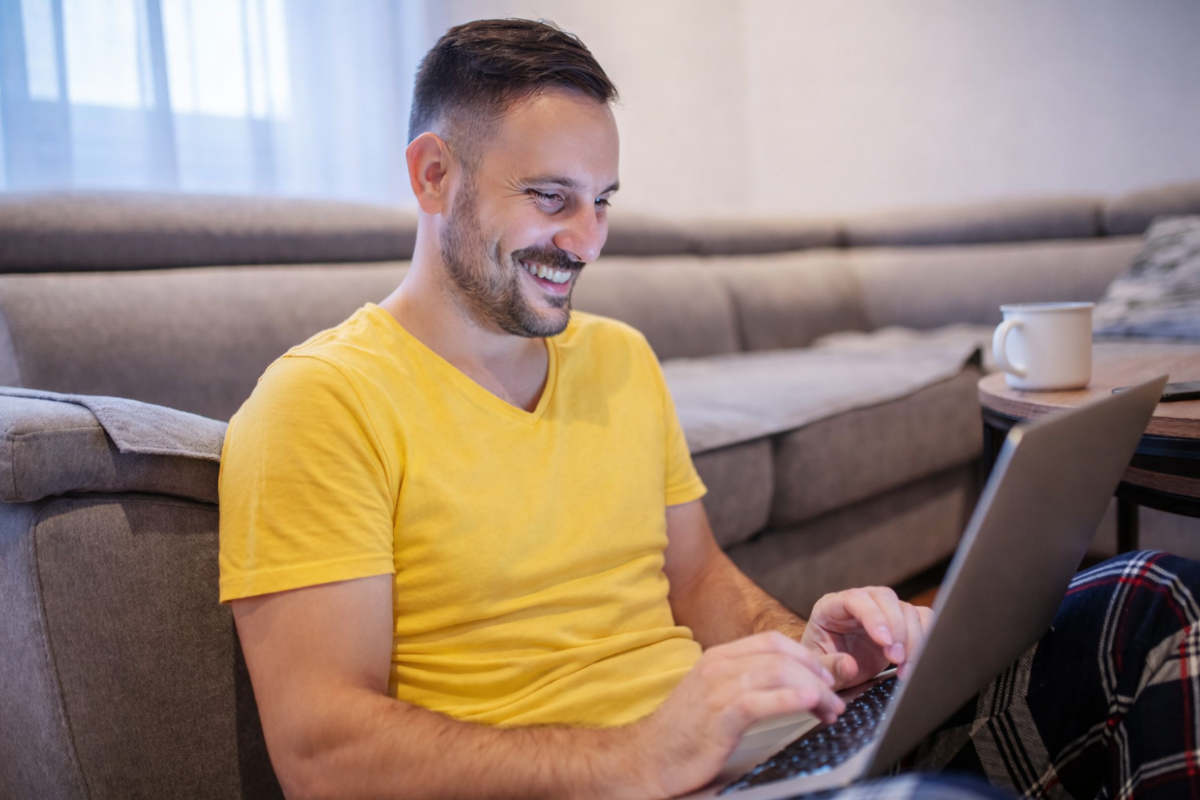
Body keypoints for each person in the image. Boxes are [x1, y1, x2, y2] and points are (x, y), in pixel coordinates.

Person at [218, 19, 1200, 800]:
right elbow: (322, 752)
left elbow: (699, 582)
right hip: (614, 784)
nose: (587, 240)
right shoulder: (319, 401)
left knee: (1151, 592)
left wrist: (814, 657)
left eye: (603, 199)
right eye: (552, 197)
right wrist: (637, 755)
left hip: (758, 757)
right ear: (434, 174)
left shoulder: (619, 357)